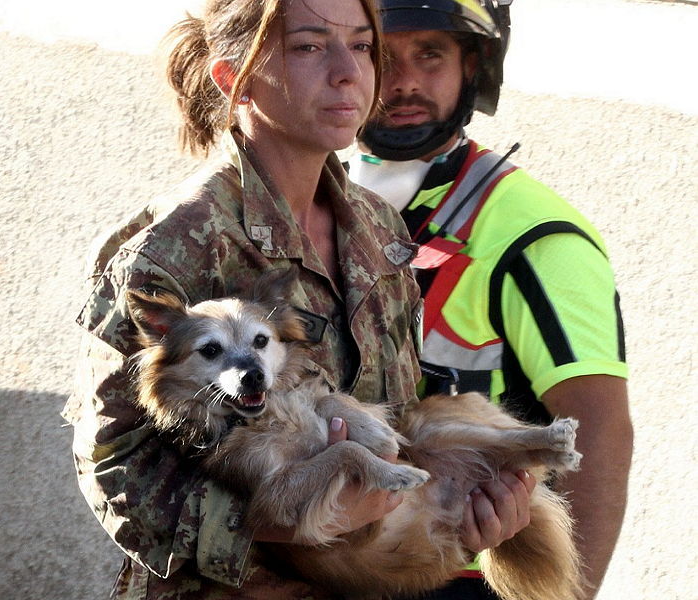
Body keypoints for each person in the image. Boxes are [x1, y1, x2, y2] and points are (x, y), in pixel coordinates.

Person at [62, 0, 534, 598]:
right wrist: (275, 524)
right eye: (310, 46)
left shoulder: (378, 226)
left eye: (362, 45)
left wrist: (467, 501)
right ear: (234, 78)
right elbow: (114, 462)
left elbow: (389, 415)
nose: (347, 71)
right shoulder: (172, 246)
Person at [348, 1, 634, 599]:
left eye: (431, 54)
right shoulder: (319, 207)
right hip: (338, 563)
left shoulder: (534, 234)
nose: (403, 81)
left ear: (473, 63)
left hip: (465, 577)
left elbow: (602, 428)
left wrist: (564, 595)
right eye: (381, 52)